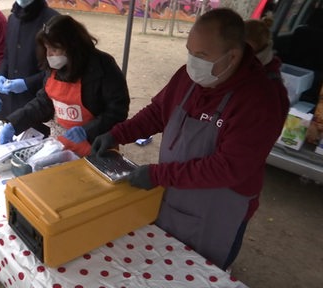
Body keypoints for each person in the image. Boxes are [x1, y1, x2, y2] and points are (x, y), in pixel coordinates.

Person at [91, 8, 289, 270]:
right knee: (161, 264)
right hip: (176, 194)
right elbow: (158, 113)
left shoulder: (259, 101)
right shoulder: (189, 76)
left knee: (201, 272)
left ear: (233, 56)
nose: (193, 62)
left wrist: (158, 175)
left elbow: (228, 167)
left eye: (202, 55)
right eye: (190, 51)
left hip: (218, 212)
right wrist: (117, 134)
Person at [0, 15, 130, 157]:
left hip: (96, 144)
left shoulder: (103, 66)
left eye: (54, 49)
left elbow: (118, 110)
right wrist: (15, 123)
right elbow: (44, 102)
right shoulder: (55, 66)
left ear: (72, 46)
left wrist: (87, 130)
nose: (49, 54)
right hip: (62, 143)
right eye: (47, 48)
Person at [0, 0, 59, 136]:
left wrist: (26, 84)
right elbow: (7, 56)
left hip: (38, 106)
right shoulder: (12, 19)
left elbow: (56, 69)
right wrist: (0, 75)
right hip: (11, 105)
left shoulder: (52, 21)